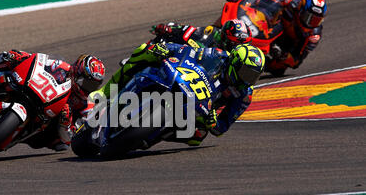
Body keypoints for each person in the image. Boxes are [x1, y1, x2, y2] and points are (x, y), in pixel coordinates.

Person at [93, 40, 264, 145]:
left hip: (199, 109)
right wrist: (166, 48)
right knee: (146, 50)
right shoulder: (217, 56)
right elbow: (189, 51)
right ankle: (106, 92)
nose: (248, 79)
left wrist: (213, 123)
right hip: (182, 80)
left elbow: (222, 128)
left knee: (198, 136)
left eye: (254, 76)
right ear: (234, 63)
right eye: (246, 72)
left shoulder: (244, 96)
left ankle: (151, 137)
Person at [0, 50, 105, 151]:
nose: (87, 87)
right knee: (6, 59)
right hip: (36, 95)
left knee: (60, 146)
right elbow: (41, 62)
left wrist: (66, 122)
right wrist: (21, 57)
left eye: (92, 85)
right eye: (86, 82)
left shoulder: (86, 104)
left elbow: (74, 137)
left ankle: (6, 133)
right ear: (77, 72)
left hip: (46, 130)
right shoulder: (61, 67)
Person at [219, 0, 327, 75]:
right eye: (308, 17)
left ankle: (244, 68)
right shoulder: (291, 2)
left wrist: (283, 55)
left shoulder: (313, 35)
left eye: (315, 20)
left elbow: (296, 61)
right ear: (301, 9)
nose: (310, 23)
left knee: (277, 68)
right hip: (271, 29)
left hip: (284, 47)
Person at [150, 18, 252, 51]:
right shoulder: (212, 33)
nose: (238, 48)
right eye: (234, 44)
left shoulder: (237, 61)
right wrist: (171, 29)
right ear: (224, 37)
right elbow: (192, 31)